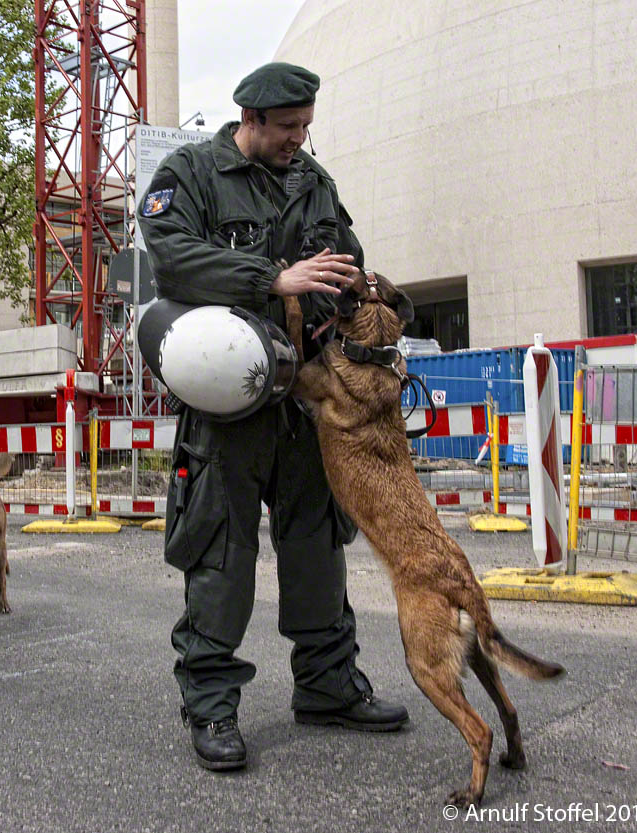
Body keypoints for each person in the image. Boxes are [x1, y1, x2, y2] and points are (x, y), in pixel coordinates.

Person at [137, 62, 408, 771]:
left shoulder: (312, 180)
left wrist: (354, 275)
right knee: (220, 553)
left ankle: (327, 685)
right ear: (251, 120)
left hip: (308, 395)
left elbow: (346, 253)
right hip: (227, 405)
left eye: (306, 126)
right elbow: (173, 261)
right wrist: (270, 278)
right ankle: (211, 704)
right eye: (289, 128)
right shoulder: (190, 173)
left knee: (318, 543)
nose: (300, 139)